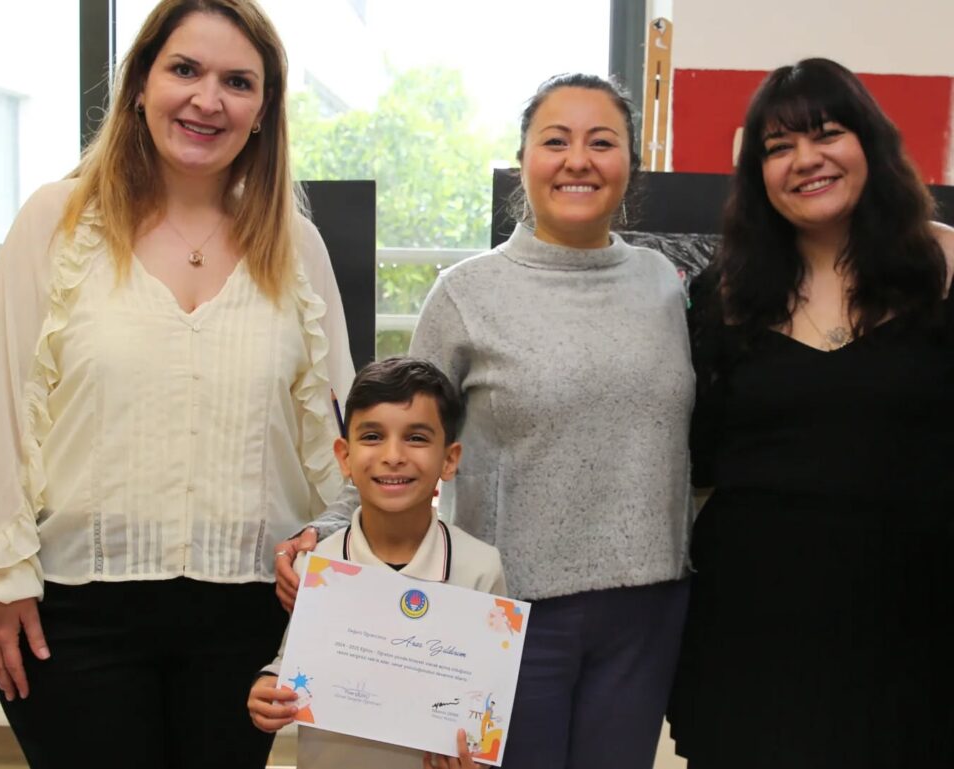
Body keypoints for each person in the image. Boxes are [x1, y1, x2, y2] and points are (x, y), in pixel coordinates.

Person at [0, 2, 353, 768]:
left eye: (238, 82)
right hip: (71, 614)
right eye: (184, 69)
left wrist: (331, 549)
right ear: (139, 85)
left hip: (245, 616)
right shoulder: (56, 222)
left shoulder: (297, 248)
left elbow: (337, 436)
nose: (207, 99)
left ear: (263, 110)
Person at [278, 74, 695, 769]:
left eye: (602, 142)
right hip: (509, 611)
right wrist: (326, 531)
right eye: (555, 141)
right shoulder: (466, 293)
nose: (578, 160)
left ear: (632, 162)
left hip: (648, 612)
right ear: (523, 159)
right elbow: (400, 434)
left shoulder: (664, 284)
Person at [667, 58, 954, 769]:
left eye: (826, 134)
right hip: (753, 626)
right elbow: (696, 451)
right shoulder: (725, 290)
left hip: (915, 622)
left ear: (869, 143)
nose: (805, 159)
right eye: (779, 146)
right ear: (757, 174)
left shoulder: (945, 267)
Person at [248, 357, 504, 769]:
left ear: (449, 459)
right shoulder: (319, 566)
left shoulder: (481, 568)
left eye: (416, 438)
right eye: (372, 436)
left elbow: (486, 711)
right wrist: (268, 686)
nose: (393, 455)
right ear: (344, 457)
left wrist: (476, 759)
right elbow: (290, 662)